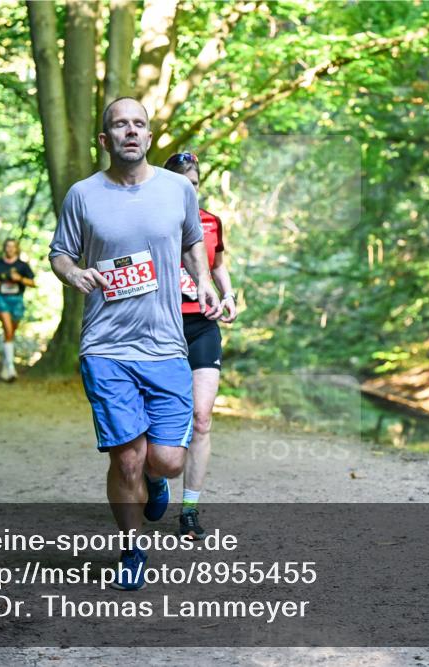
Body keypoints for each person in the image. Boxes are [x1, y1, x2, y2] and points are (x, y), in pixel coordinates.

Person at [49, 97, 220, 590]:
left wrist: (203, 282)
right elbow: (60, 253)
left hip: (166, 344)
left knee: (167, 460)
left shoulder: (176, 190)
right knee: (126, 456)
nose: (130, 131)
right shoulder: (83, 194)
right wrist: (74, 273)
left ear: (148, 136)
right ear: (105, 139)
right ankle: (131, 548)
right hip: (106, 346)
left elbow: (193, 243)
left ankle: (155, 478)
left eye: (138, 124)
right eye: (120, 125)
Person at [163, 152, 239, 540]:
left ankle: (189, 510)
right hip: (161, 326)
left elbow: (218, 264)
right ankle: (154, 478)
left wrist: (229, 295)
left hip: (202, 325)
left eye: (194, 184)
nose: (189, 191)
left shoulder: (211, 222)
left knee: (201, 418)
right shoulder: (152, 221)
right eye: (181, 184)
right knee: (157, 420)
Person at [0, 238, 35, 381]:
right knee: (8, 330)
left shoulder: (22, 265)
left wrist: (20, 279)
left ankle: (5, 365)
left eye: (12, 246)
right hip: (2, 299)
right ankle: (10, 368)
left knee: (10, 334)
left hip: (17, 301)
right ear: (4, 248)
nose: (10, 249)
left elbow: (32, 282)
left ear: (16, 249)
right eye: (8, 246)